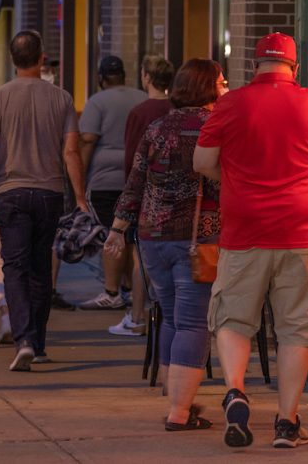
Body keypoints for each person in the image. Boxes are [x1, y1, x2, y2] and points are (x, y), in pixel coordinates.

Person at [193, 32, 308, 449]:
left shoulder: (231, 103)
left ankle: (235, 390)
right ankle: (286, 422)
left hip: (243, 229)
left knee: (233, 318)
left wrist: (236, 181)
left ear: (254, 66)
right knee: (296, 328)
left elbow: (202, 162)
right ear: (294, 69)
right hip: (300, 230)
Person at [108, 59, 227, 430]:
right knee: (194, 323)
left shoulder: (158, 127)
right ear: (208, 87)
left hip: (152, 237)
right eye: (221, 82)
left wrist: (117, 228)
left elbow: (136, 179)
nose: (225, 88)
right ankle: (179, 412)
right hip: (197, 239)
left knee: (172, 317)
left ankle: (173, 393)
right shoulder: (214, 128)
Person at [0, 30, 89, 371]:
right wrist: (81, 198)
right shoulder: (61, 98)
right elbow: (71, 151)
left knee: (14, 266)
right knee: (41, 267)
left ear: (13, 59)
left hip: (10, 191)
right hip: (49, 191)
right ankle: (38, 342)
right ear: (42, 58)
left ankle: (24, 338)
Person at [105, 54, 176, 335]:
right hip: (177, 195)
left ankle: (137, 316)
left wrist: (128, 197)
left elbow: (132, 159)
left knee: (140, 258)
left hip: (147, 193)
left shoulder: (140, 113)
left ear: (147, 78)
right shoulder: (177, 109)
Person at [77, 56, 147, 322]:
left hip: (105, 179)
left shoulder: (97, 102)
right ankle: (129, 288)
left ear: (100, 78)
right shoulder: (141, 98)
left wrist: (79, 183)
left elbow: (87, 141)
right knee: (130, 238)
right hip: (136, 177)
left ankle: (111, 291)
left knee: (112, 234)